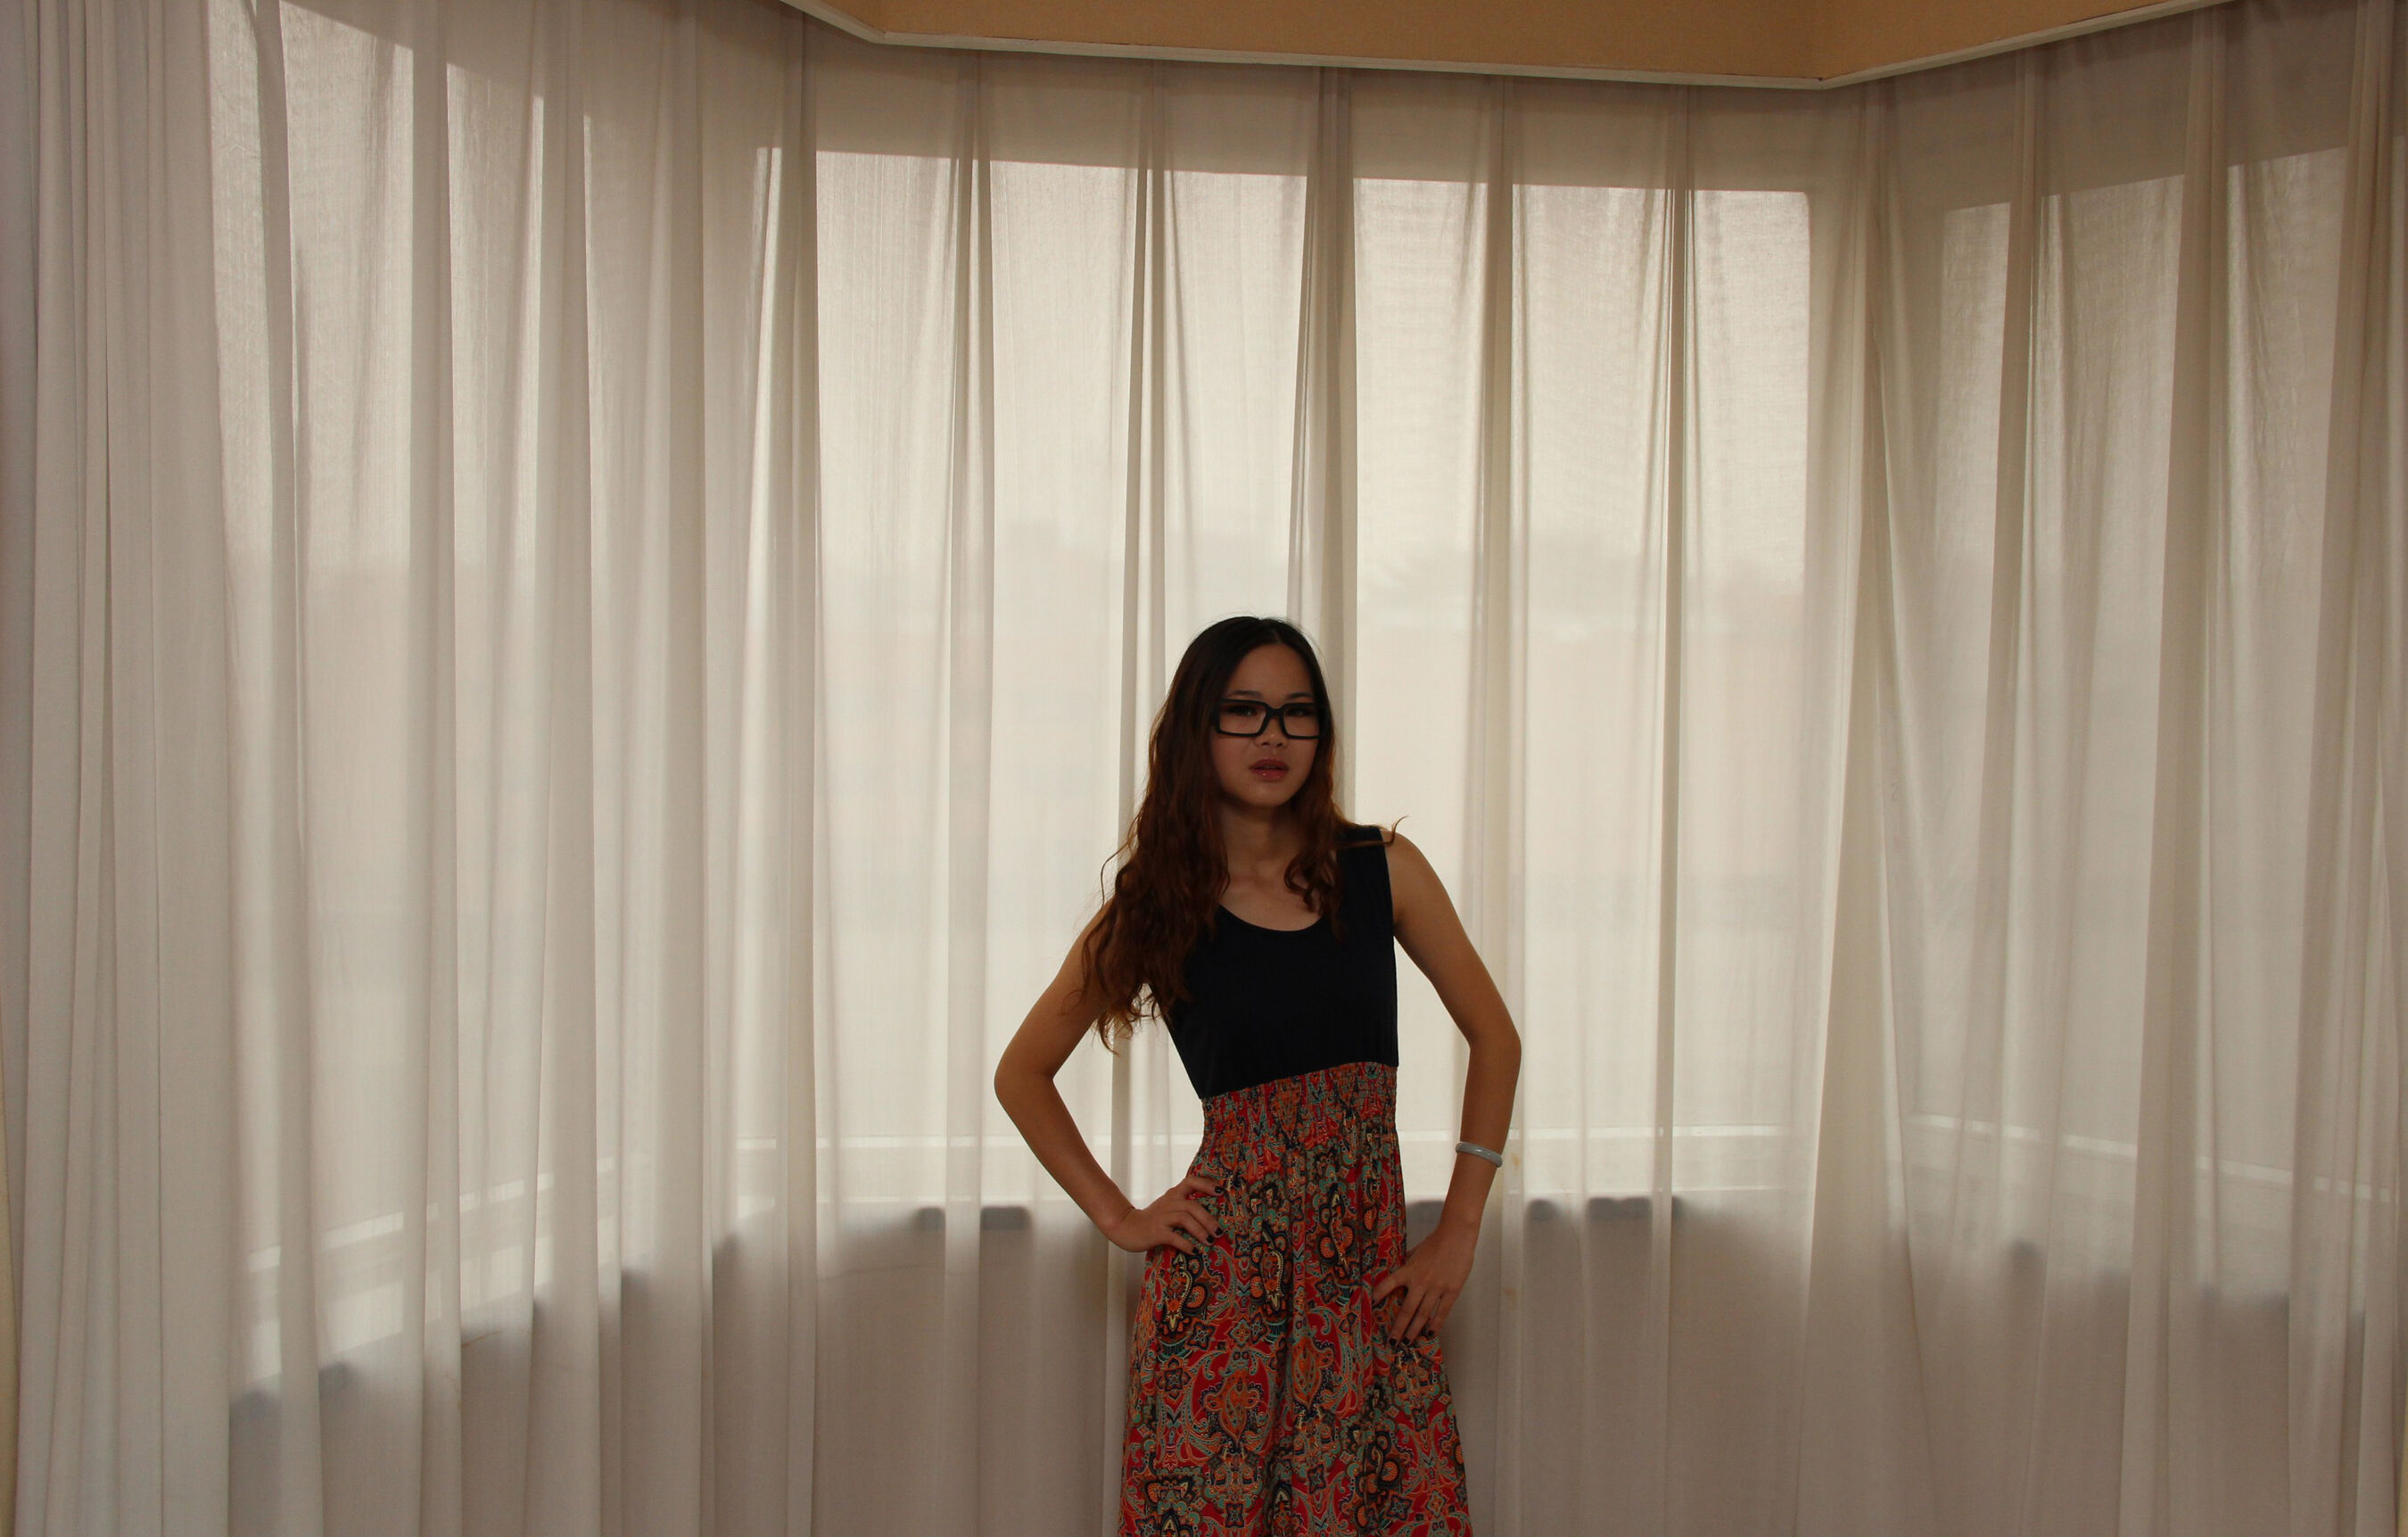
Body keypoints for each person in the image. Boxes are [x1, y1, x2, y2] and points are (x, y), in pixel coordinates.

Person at [993, 615, 1521, 1535]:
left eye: (1296, 711)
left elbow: (1496, 1038)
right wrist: (1120, 1215)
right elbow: (1023, 1073)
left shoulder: (1381, 870)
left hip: (1366, 1294)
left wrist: (1460, 1227)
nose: (1273, 734)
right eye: (1243, 710)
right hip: (1222, 1300)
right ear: (1197, 728)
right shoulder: (1159, 903)